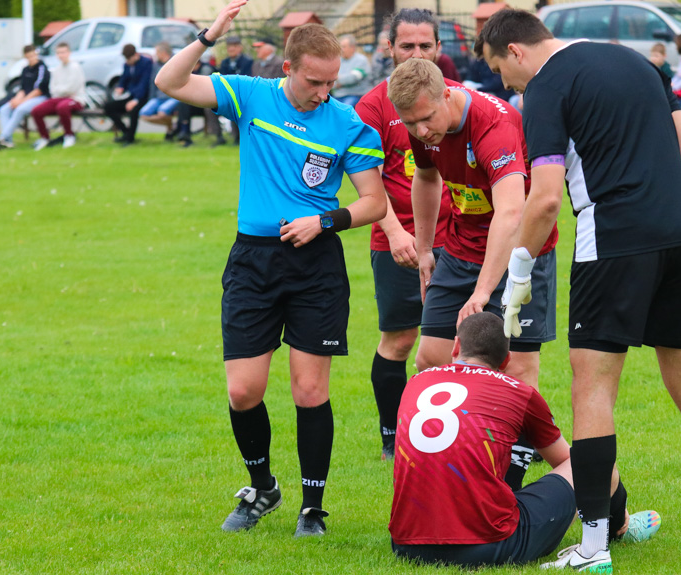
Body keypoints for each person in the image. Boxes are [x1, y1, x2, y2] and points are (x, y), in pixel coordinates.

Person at [477, 9, 681, 571]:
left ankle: (595, 545)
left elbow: (546, 197)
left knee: (592, 392)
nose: (506, 85)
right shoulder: (637, 62)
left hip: (612, 246)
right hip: (679, 240)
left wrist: (518, 274)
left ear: (517, 51)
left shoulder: (547, 85)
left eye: (501, 70)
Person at [154, 0, 386, 538]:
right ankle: (263, 489)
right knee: (244, 391)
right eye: (313, 81)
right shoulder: (250, 95)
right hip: (253, 261)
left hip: (315, 265)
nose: (323, 92)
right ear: (287, 69)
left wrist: (325, 222)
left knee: (310, 390)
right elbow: (170, 81)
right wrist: (211, 34)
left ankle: (313, 507)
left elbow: (373, 201)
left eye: (331, 82)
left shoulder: (347, 123)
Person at [386, 58, 560, 490]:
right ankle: (442, 458)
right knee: (429, 358)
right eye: (412, 123)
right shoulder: (422, 123)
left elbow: (511, 212)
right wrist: (425, 248)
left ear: (447, 93)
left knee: (517, 368)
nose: (422, 130)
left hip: (522, 253)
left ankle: (511, 483)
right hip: (461, 252)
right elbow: (426, 178)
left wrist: (483, 292)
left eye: (427, 119)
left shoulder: (493, 126)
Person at [390, 312, 661, 567]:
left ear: (456, 346)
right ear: (506, 361)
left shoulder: (415, 382)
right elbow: (568, 462)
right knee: (592, 460)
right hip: (488, 544)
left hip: (405, 543)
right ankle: (620, 526)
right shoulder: (519, 391)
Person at [354, 8, 455, 462]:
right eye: (407, 45)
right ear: (388, 48)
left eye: (425, 45)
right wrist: (396, 234)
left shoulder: (455, 99)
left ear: (439, 49)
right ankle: (393, 437)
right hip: (396, 241)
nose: (416, 53)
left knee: (463, 340)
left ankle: (460, 433)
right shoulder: (373, 105)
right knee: (399, 339)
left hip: (456, 240)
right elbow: (367, 181)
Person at [0, 45, 49, 151]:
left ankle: (3, 138)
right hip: (25, 98)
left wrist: (21, 102)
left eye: (33, 56)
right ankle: (8, 141)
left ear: (36, 55)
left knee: (20, 109)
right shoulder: (25, 70)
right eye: (28, 57)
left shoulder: (42, 68)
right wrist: (17, 100)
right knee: (3, 109)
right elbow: (22, 89)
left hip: (40, 98)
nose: (31, 59)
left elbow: (39, 90)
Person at [30, 42, 85, 150]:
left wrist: (61, 91)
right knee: (36, 111)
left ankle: (69, 135)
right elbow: (52, 88)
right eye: (58, 53)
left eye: (63, 52)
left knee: (62, 107)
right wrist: (61, 91)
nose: (61, 55)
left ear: (69, 53)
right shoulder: (57, 69)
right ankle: (45, 138)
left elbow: (72, 88)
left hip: (75, 99)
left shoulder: (75, 67)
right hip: (59, 98)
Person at [104, 44, 152, 146]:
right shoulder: (127, 65)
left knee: (134, 111)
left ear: (135, 55)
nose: (127, 61)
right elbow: (124, 79)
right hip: (130, 95)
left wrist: (136, 100)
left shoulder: (146, 63)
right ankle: (126, 132)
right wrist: (121, 87)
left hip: (144, 97)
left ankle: (130, 139)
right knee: (108, 107)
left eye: (129, 58)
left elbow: (145, 84)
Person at [173, 59, 225, 148]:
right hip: (198, 102)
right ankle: (185, 133)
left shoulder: (206, 69)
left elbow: (204, 89)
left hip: (212, 100)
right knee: (182, 105)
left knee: (209, 108)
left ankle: (218, 137)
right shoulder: (189, 71)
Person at [138, 42, 179, 141]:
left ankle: (170, 130)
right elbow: (153, 83)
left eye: (157, 52)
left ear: (163, 52)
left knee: (162, 112)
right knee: (143, 114)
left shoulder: (176, 61)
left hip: (174, 96)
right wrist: (151, 98)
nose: (155, 55)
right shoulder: (156, 65)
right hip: (159, 97)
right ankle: (173, 127)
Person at [218, 35, 253, 145]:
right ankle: (218, 137)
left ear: (240, 48)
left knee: (237, 106)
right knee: (210, 108)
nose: (231, 49)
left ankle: (238, 137)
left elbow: (247, 79)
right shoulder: (225, 63)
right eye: (229, 47)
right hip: (227, 93)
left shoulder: (247, 62)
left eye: (234, 46)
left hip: (242, 94)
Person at [332, 34, 372, 106]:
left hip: (355, 95)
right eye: (340, 46)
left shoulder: (361, 60)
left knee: (344, 110)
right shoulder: (338, 60)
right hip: (337, 95)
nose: (341, 49)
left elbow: (353, 78)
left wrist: (337, 78)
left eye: (344, 47)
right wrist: (336, 82)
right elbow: (329, 79)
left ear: (352, 47)